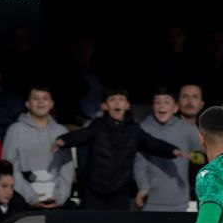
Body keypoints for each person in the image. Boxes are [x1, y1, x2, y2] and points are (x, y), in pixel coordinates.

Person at [53, 87, 184, 210]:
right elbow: (81, 135)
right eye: (112, 100)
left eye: (121, 100)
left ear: (127, 105)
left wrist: (173, 150)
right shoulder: (97, 126)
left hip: (120, 190)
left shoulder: (134, 129)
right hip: (94, 188)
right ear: (104, 106)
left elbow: (152, 143)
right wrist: (63, 141)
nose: (117, 103)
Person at [2, 87, 75, 210]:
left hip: (56, 198)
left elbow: (66, 168)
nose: (41, 102)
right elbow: (10, 166)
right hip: (23, 197)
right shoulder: (15, 130)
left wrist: (60, 198)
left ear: (51, 104)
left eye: (45, 98)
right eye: (35, 99)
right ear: (28, 104)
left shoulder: (61, 131)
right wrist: (31, 197)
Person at [134, 88, 202, 212]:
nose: (162, 106)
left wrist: (196, 159)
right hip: (150, 202)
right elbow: (139, 162)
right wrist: (143, 187)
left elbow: (202, 158)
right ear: (152, 106)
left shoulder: (189, 129)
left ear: (175, 108)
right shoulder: (142, 129)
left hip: (180, 201)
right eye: (158, 102)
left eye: (166, 102)